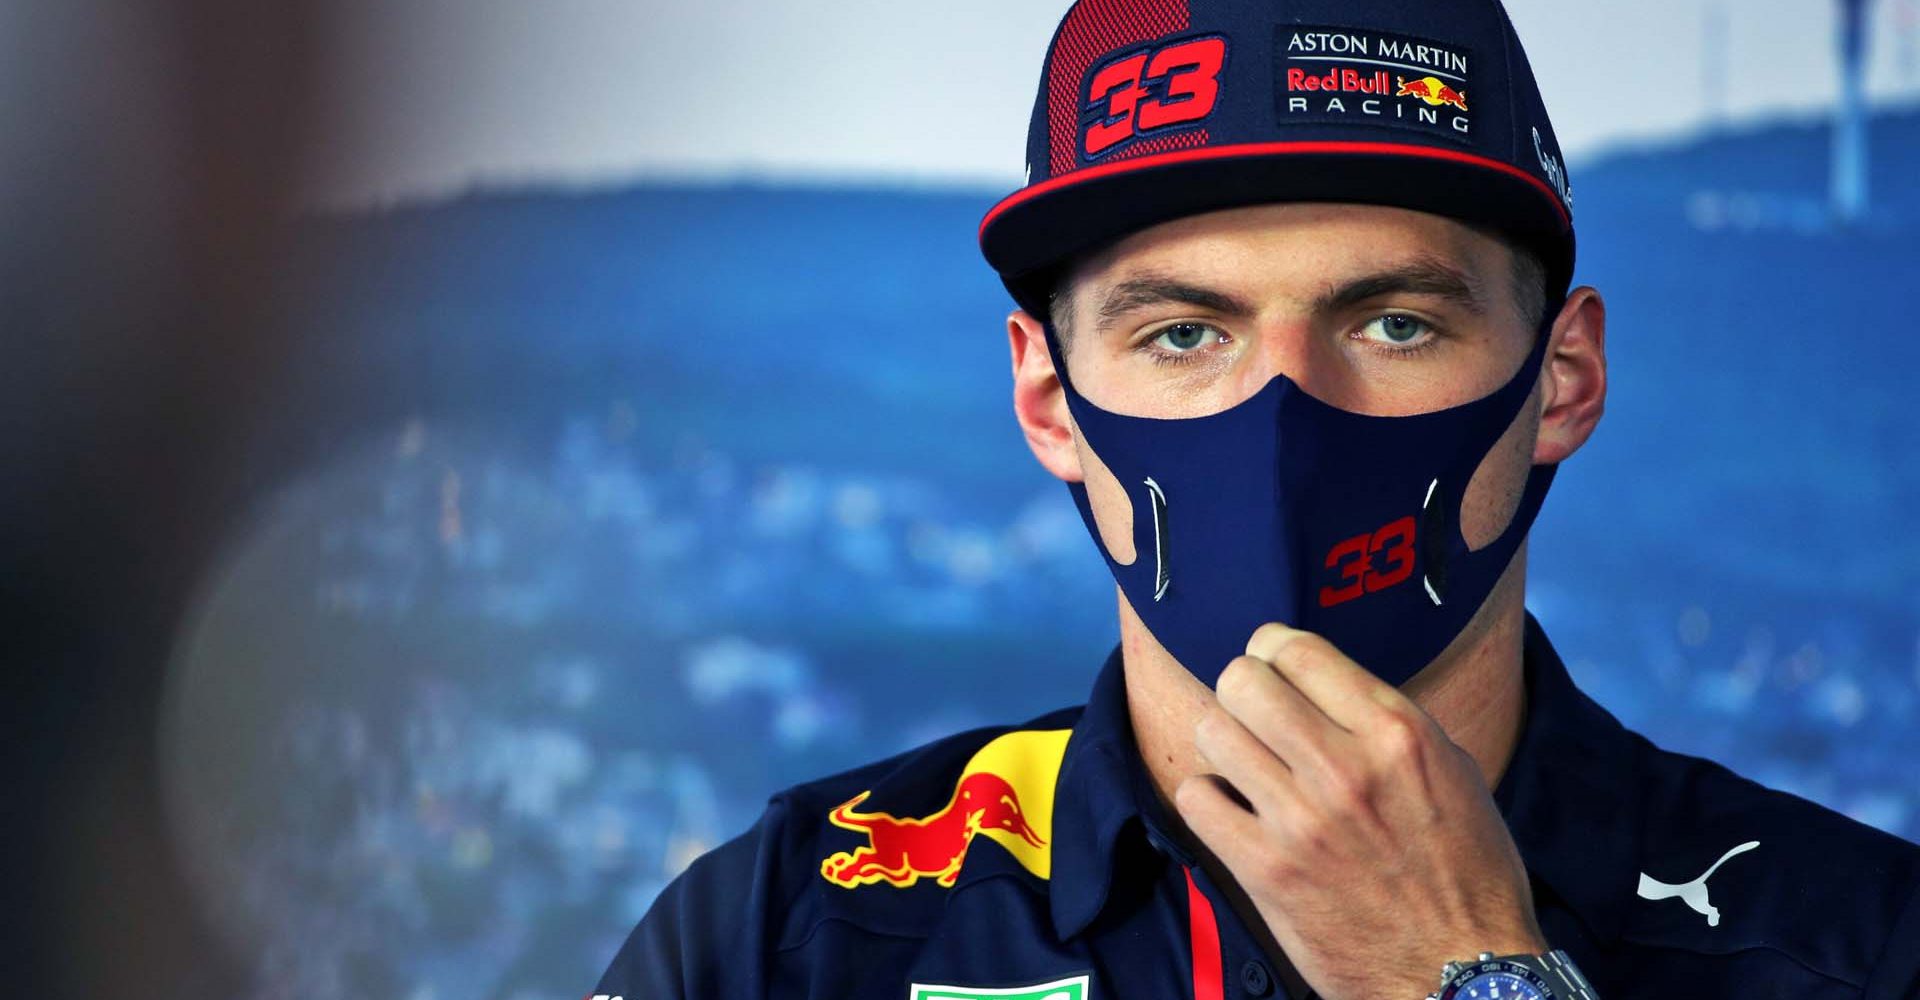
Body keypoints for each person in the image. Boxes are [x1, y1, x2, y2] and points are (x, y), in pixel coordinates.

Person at [593, 1, 1920, 997]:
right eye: (1183, 334)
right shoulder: (792, 931)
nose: (1282, 417)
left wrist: (1468, 975)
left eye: (1395, 323)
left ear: (1563, 377)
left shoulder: (1857, 942)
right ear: (1050, 399)